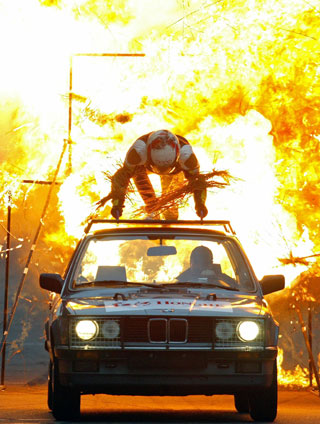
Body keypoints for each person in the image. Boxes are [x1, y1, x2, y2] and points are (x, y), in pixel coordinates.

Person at [109, 129, 208, 220]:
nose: (161, 172)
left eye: (165, 167)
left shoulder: (187, 157)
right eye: (159, 167)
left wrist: (200, 205)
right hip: (143, 168)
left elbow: (197, 182)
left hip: (174, 171)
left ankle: (169, 219)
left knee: (170, 208)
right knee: (152, 204)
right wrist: (117, 204)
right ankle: (153, 210)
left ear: (177, 156)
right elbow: (122, 177)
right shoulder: (137, 153)